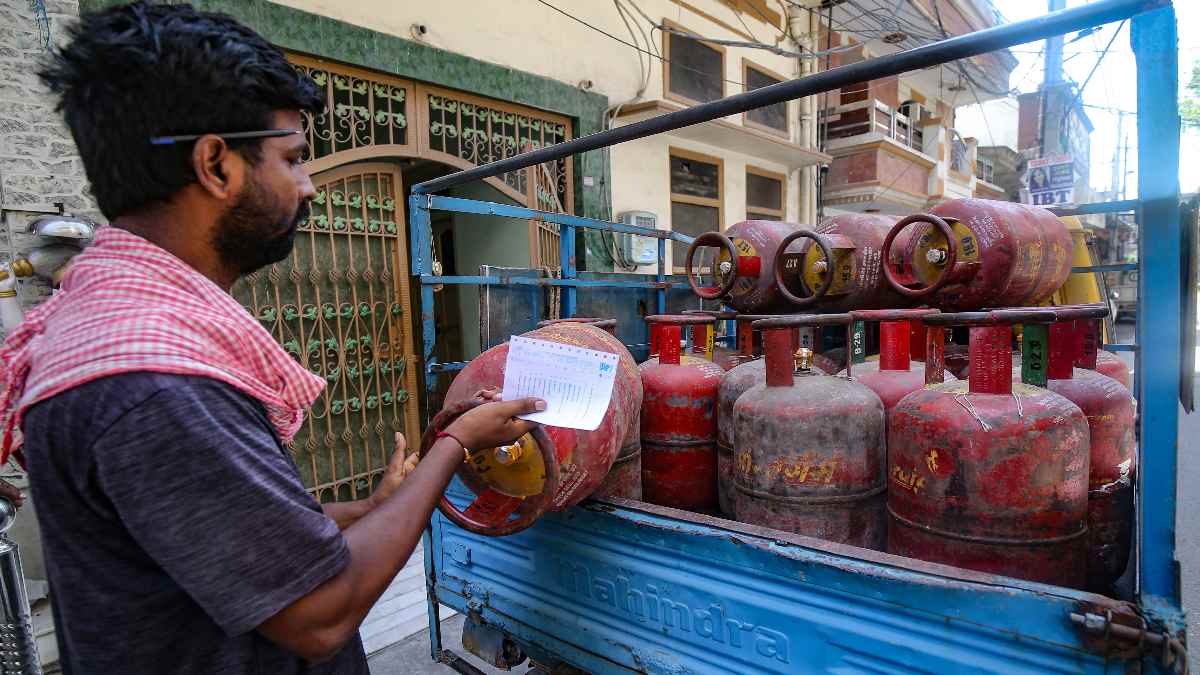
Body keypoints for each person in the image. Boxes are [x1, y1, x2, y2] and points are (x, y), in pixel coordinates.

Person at [0, 3, 545, 673]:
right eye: (292, 159)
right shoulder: (152, 381)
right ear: (215, 165)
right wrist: (455, 444)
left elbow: (217, 532)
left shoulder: (109, 327)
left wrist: (374, 508)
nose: (310, 186)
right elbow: (321, 612)